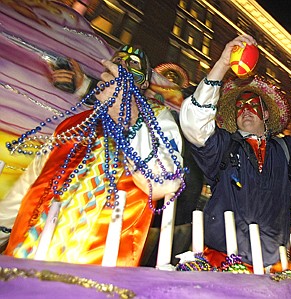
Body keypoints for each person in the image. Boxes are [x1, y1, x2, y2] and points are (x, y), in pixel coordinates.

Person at [179, 34, 291, 270]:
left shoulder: (286, 151)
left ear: (266, 114)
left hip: (272, 268)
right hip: (219, 262)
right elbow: (194, 123)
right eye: (240, 107)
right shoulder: (222, 147)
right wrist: (222, 65)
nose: (245, 110)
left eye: (252, 106)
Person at [1, 44, 184, 266]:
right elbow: (29, 183)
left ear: (144, 82)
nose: (123, 65)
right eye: (118, 61)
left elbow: (165, 183)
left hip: (95, 269)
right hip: (25, 253)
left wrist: (131, 122)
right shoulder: (73, 124)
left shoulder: (158, 120)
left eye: (133, 64)